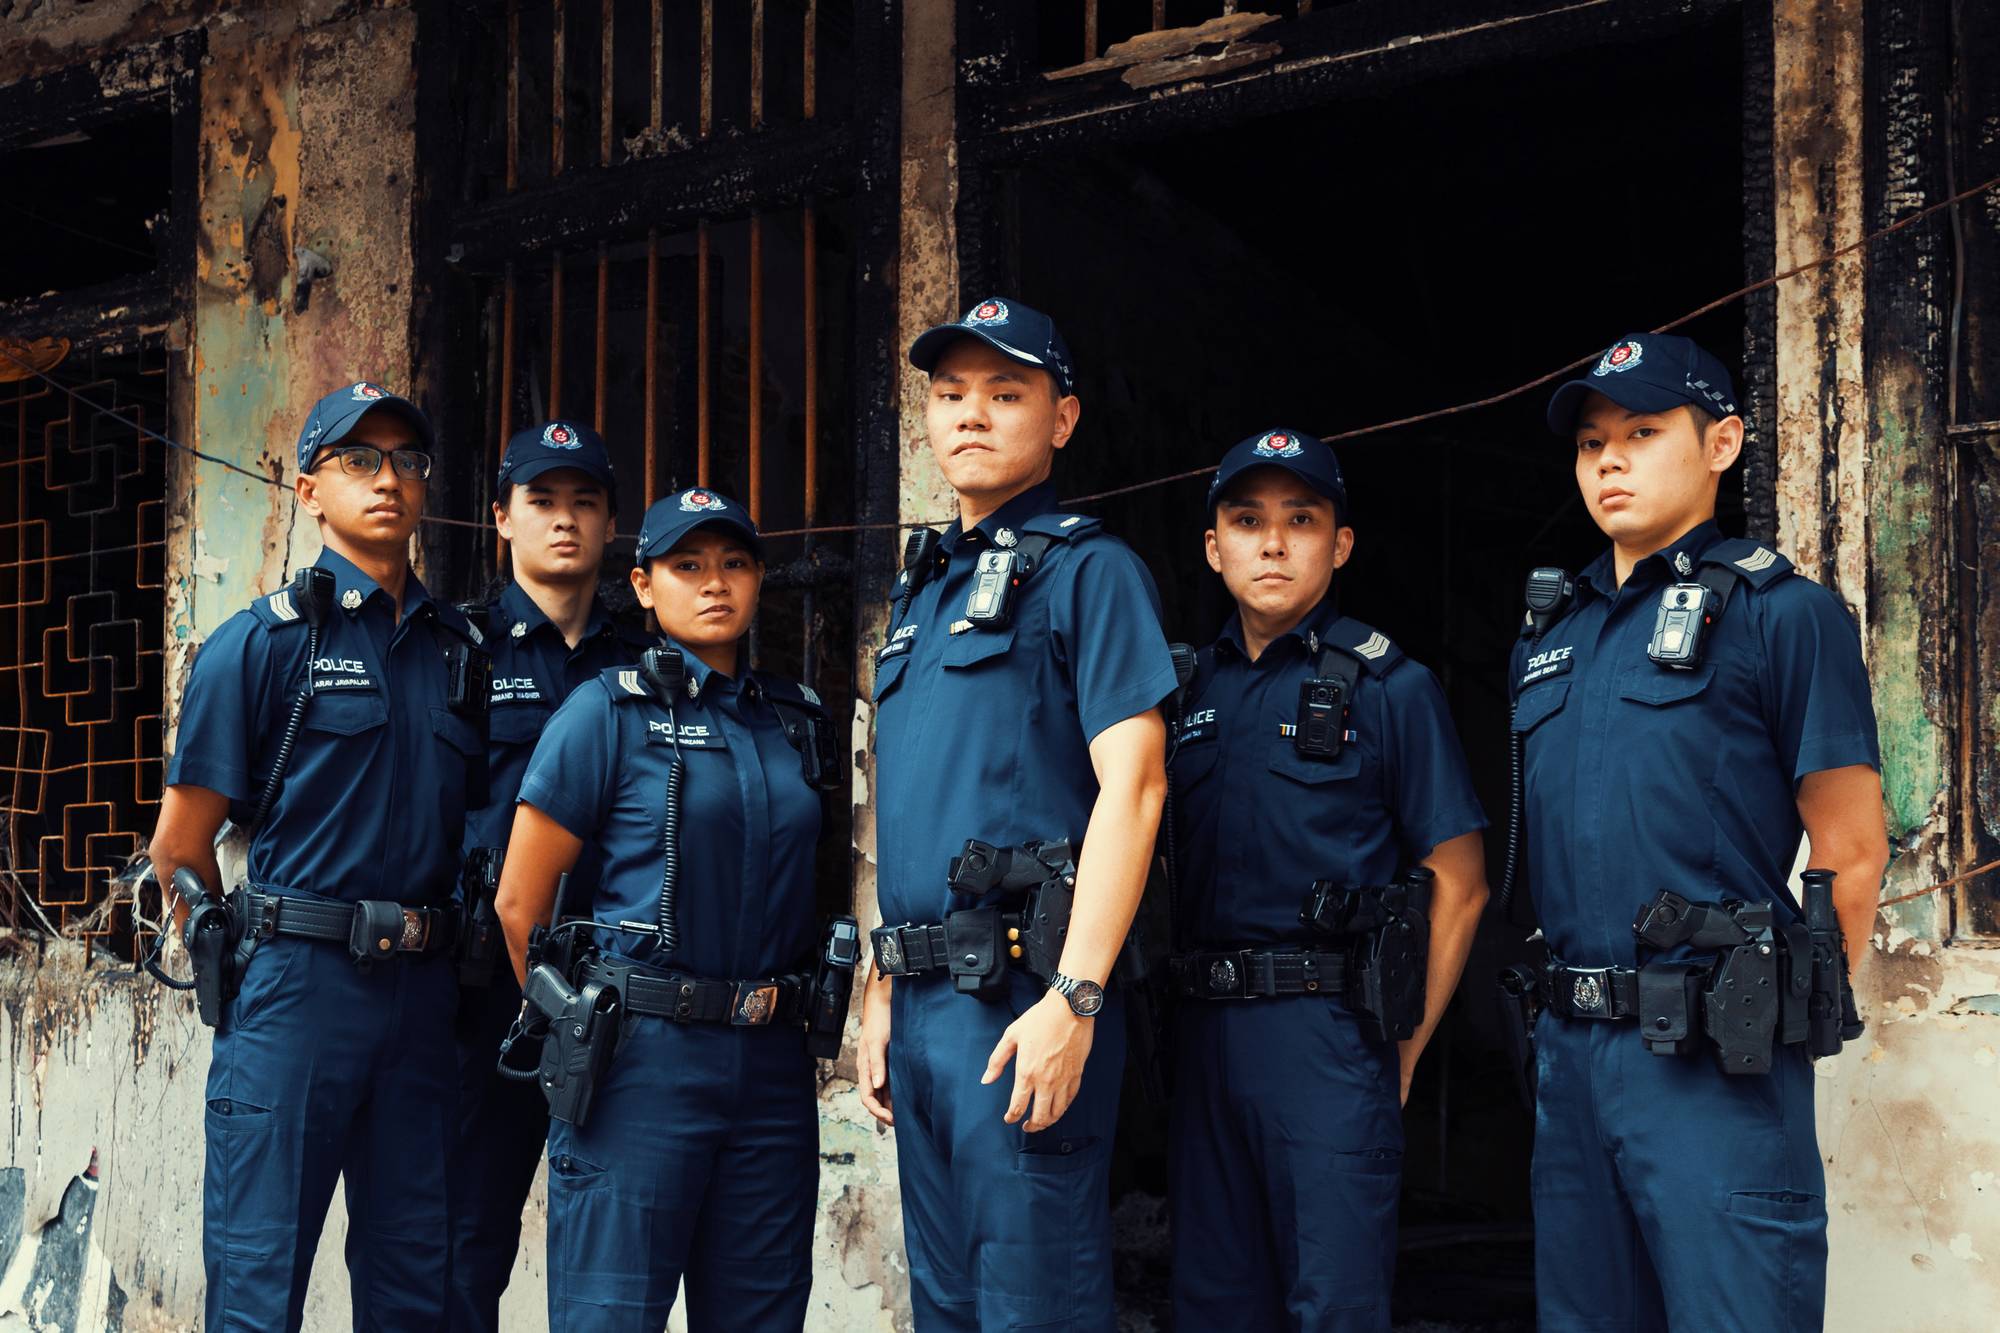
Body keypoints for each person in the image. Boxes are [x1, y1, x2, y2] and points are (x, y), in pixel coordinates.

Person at [1518, 332, 1889, 1330]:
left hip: (1713, 1068)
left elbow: (1850, 846)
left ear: (1720, 443)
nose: (1609, 459)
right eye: (1592, 441)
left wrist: (1775, 1013)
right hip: (1572, 1059)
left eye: (1641, 432)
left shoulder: (1782, 615)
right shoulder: (1553, 637)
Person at [857, 296, 1178, 1331]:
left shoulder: (1090, 573)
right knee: (945, 1310)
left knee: (1031, 1306)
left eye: (1005, 393)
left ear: (1062, 419)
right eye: (950, 396)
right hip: (920, 1007)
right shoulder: (919, 595)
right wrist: (878, 985)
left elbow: (1136, 787)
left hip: (1021, 1002)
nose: (971, 416)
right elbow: (904, 805)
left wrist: (1076, 995)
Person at [146, 381, 489, 1331]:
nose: (389, 480)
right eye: (359, 460)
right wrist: (239, 963)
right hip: (297, 992)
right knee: (259, 1288)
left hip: (422, 1006)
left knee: (415, 1286)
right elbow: (180, 847)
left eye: (407, 462)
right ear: (308, 490)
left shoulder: (459, 653)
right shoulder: (256, 646)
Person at [1165, 429, 1490, 1331]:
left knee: (1334, 1306)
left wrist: (1404, 1049)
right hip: (1202, 1037)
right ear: (1213, 546)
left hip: (1329, 1036)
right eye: (1247, 520)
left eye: (1300, 520)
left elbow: (1459, 882)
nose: (1272, 543)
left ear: (1340, 544)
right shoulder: (1184, 693)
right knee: (1213, 1304)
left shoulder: (1391, 686)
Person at [494, 486, 837, 1332]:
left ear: (759, 579)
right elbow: (518, 905)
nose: (713, 583)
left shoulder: (796, 722)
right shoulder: (604, 712)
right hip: (640, 1062)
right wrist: (575, 1030)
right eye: (687, 565)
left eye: (734, 564)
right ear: (644, 585)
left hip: (769, 1070)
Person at [447, 420, 648, 1331]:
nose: (564, 522)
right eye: (541, 502)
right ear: (501, 518)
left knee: (612, 1252)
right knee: (464, 1246)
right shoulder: (461, 653)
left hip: (618, 1002)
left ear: (613, 526)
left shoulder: (646, 666)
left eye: (585, 503)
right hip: (487, 997)